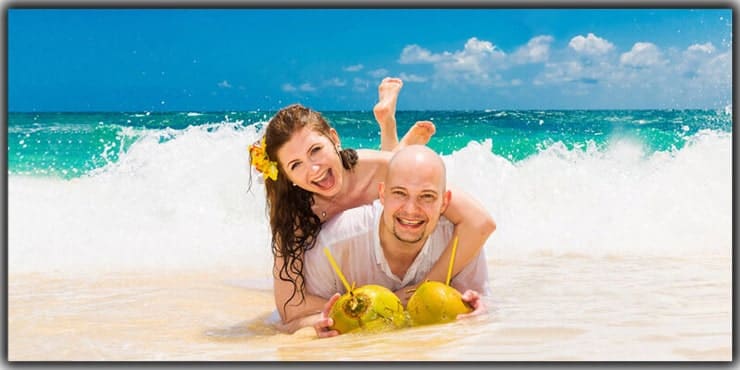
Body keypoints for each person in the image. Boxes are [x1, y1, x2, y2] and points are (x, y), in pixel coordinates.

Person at [249, 78, 495, 331]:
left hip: (378, 172)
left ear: (334, 139)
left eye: (315, 150)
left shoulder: (373, 168)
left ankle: (388, 123)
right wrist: (359, 307)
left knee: (400, 168)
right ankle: (391, 130)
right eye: (295, 165)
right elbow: (290, 306)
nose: (314, 169)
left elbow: (480, 222)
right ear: (287, 177)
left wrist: (426, 288)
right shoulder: (296, 216)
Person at [302, 145, 492, 337]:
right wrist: (316, 328)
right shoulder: (333, 245)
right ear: (382, 194)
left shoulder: (457, 240)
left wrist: (478, 313)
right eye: (400, 193)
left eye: (427, 196)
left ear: (444, 201)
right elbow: (291, 323)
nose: (411, 210)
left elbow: (480, 307)